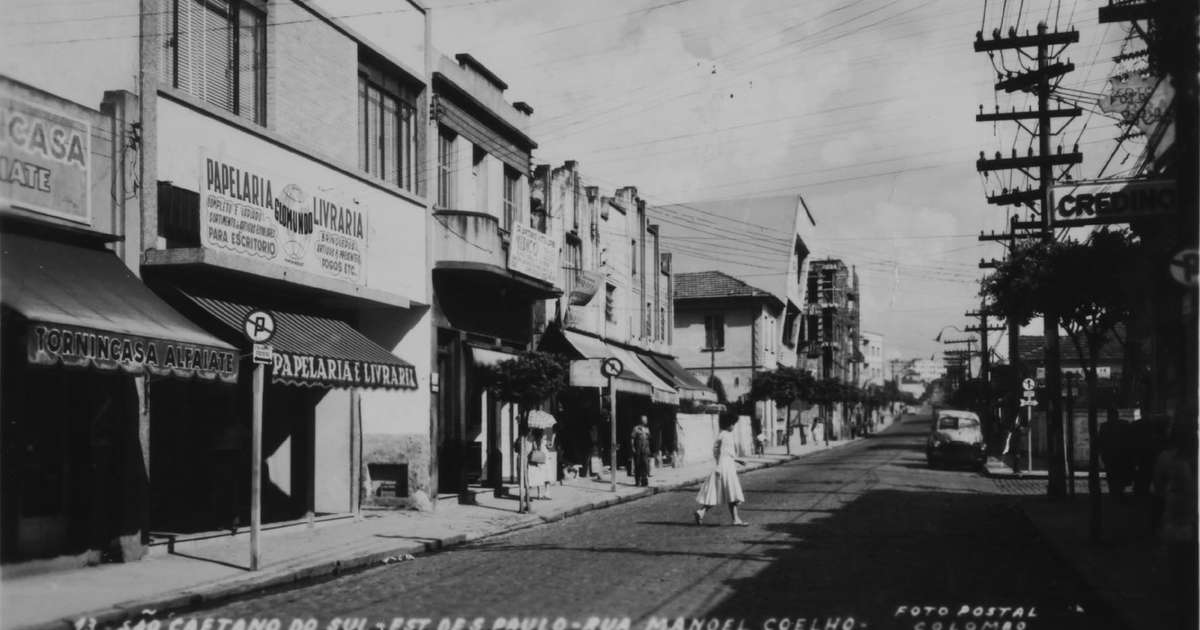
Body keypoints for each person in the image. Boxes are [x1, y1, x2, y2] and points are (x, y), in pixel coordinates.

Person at [1152, 417, 1198, 630]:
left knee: (1180, 578)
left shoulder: (1168, 458)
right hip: (1184, 524)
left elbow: (1159, 489)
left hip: (1180, 526)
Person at [693, 414, 748, 526]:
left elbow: (716, 451)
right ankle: (736, 519)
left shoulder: (720, 435)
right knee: (732, 492)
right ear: (728, 424)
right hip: (727, 467)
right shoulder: (727, 435)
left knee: (718, 492)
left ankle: (702, 511)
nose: (733, 426)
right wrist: (738, 460)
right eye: (733, 424)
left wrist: (719, 463)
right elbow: (726, 453)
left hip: (721, 466)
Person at [526, 428, 551, 500]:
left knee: (539, 478)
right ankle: (547, 493)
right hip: (545, 460)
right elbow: (550, 446)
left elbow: (534, 449)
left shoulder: (534, 441)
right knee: (546, 477)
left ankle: (539, 494)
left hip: (538, 460)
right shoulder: (543, 441)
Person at [630, 415, 652, 487]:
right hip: (638, 449)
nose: (646, 421)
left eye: (646, 419)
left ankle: (644, 481)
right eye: (645, 420)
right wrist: (633, 448)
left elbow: (648, 439)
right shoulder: (636, 428)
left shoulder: (647, 429)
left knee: (645, 465)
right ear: (642, 420)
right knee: (637, 465)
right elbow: (632, 438)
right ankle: (637, 481)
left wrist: (649, 449)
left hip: (645, 450)